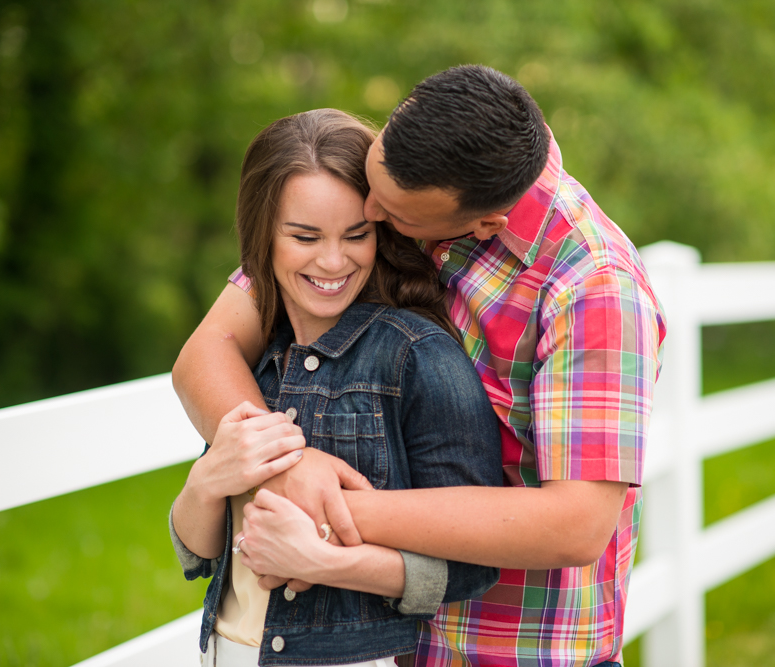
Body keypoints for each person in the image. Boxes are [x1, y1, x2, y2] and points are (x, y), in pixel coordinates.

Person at [174, 66, 667, 666]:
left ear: (483, 224)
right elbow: (209, 348)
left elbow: (576, 525)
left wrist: (323, 508)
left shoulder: (594, 288)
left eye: (391, 216)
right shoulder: (406, 178)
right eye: (372, 181)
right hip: (376, 645)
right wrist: (287, 464)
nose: (371, 211)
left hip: (504, 647)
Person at [169, 108, 503, 667]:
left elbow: (471, 567)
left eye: (356, 235)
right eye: (304, 236)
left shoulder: (418, 358)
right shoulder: (258, 366)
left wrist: (327, 563)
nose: (332, 260)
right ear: (260, 241)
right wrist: (206, 480)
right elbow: (199, 553)